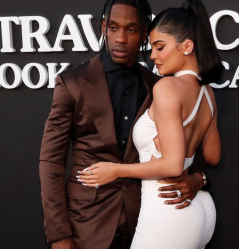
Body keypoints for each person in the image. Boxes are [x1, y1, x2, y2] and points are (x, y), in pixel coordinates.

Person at [38, 0, 210, 249]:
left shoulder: (158, 85)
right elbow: (51, 161)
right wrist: (58, 235)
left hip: (147, 219)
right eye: (114, 27)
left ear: (143, 34)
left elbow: (193, 142)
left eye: (131, 30)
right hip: (86, 223)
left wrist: (199, 178)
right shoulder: (72, 83)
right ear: (103, 27)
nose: (120, 38)